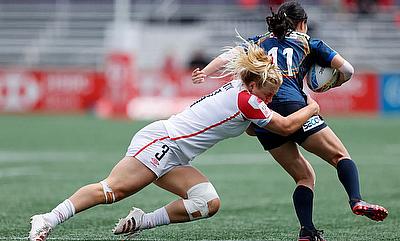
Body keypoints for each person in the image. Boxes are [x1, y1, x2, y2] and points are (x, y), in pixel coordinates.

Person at [29, 41, 320, 241]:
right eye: (268, 93)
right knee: (112, 190)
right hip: (163, 142)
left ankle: (142, 221)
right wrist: (312, 105)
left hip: (176, 152)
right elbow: (283, 126)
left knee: (207, 202)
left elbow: (247, 123)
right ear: (254, 84)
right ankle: (47, 219)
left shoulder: (241, 89)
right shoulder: (248, 101)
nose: (270, 100)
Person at [191, 1, 388, 241]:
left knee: (304, 176)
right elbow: (348, 69)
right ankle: (356, 200)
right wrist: (335, 82)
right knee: (340, 156)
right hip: (295, 107)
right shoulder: (309, 42)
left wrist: (205, 72)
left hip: (263, 112)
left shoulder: (259, 41)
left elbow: (229, 56)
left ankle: (307, 231)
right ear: (302, 23)